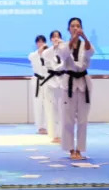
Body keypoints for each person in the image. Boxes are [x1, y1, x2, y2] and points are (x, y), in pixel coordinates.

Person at [56, 17, 93, 160]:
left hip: (84, 82)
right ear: (68, 29)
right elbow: (64, 54)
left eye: (78, 26)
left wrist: (84, 37)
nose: (75, 28)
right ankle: (71, 149)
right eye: (72, 26)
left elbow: (90, 52)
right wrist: (74, 38)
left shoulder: (86, 44)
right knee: (68, 118)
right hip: (69, 83)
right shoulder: (63, 45)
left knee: (83, 119)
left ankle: (80, 149)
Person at [42, 30, 66, 144]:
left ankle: (63, 134)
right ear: (51, 39)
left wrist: (62, 47)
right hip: (52, 83)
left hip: (63, 82)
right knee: (54, 109)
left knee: (64, 109)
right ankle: (56, 134)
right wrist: (55, 48)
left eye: (58, 36)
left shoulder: (65, 50)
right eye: (54, 37)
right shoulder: (47, 52)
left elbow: (67, 62)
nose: (56, 39)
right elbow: (47, 60)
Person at [28, 35, 51, 135]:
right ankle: (40, 126)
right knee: (37, 104)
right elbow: (32, 58)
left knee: (47, 104)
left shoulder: (49, 54)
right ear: (36, 43)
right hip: (37, 81)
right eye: (39, 42)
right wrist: (40, 51)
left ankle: (48, 126)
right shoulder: (33, 55)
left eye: (42, 42)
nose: (40, 43)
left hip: (47, 80)